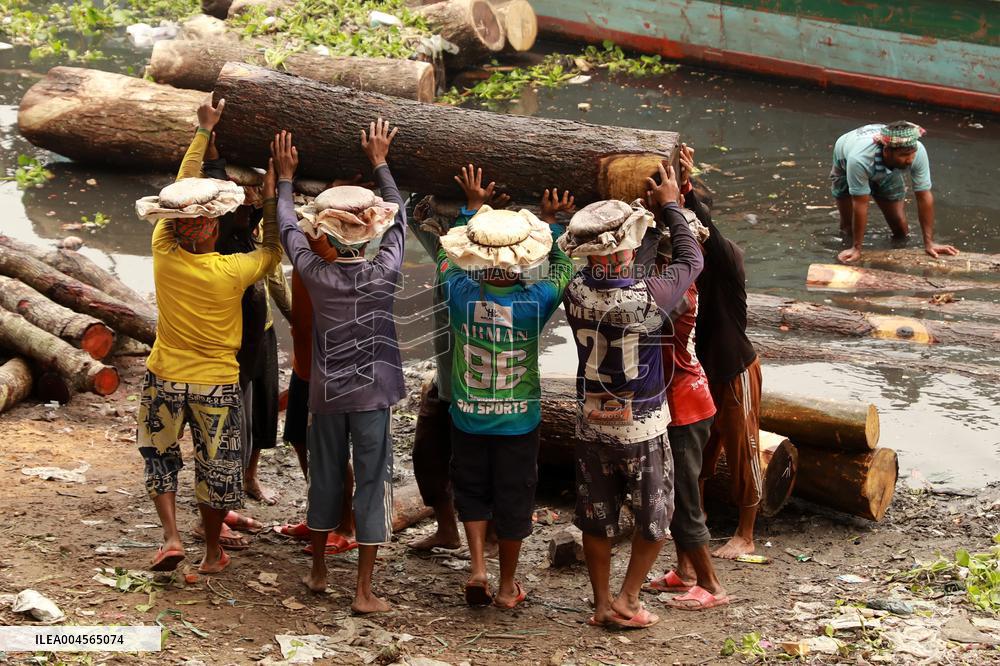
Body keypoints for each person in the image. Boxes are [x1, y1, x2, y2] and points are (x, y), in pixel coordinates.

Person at [135, 96, 282, 574]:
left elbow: (180, 189)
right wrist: (276, 193)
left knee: (160, 457)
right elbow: (274, 248)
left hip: (164, 375)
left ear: (175, 229)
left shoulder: (164, 252)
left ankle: (173, 537)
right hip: (216, 383)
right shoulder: (233, 271)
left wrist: (201, 132)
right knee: (216, 467)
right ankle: (213, 550)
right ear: (213, 231)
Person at [559, 163, 703, 629]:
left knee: (596, 517)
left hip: (591, 422)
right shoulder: (650, 296)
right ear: (626, 251)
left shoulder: (575, 289)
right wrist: (672, 207)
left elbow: (608, 267)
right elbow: (691, 261)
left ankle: (602, 602)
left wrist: (557, 222)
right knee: (655, 520)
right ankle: (628, 597)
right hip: (641, 425)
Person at [273, 121, 405, 614]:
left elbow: (288, 227)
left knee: (325, 477)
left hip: (327, 396)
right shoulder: (385, 269)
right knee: (372, 482)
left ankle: (318, 570)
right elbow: (401, 221)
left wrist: (286, 178)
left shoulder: (315, 272)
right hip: (372, 397)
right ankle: (365, 591)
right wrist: (380, 162)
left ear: (325, 231)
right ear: (370, 233)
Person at [437, 165, 574, 609]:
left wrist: (471, 211)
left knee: (472, 492)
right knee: (514, 501)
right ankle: (506, 585)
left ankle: (477, 568)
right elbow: (564, 266)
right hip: (518, 422)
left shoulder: (458, 292)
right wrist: (552, 224)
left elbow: (448, 259)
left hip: (469, 417)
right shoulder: (536, 301)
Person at [407, 180, 508, 554]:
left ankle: (493, 535)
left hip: (484, 386)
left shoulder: (502, 270)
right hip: (447, 382)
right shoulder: (447, 255)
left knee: (481, 466)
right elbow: (412, 212)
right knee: (427, 457)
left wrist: (478, 209)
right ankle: (447, 530)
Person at [677, 143, 762, 560]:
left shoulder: (728, 257)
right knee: (698, 455)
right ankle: (699, 524)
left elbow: (704, 223)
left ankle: (746, 533)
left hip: (733, 368)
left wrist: (686, 189)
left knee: (743, 447)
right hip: (700, 371)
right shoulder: (680, 263)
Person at [648, 219, 729, 610]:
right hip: (684, 401)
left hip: (685, 406)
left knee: (681, 498)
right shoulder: (680, 287)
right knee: (681, 492)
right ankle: (684, 571)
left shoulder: (673, 298)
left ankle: (711, 584)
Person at [830, 121, 958, 264]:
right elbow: (860, 203)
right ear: (887, 151)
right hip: (846, 159)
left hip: (887, 168)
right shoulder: (859, 159)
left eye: (912, 154)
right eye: (904, 155)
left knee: (900, 229)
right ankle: (847, 251)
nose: (909, 160)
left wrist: (929, 243)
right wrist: (857, 248)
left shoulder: (918, 151)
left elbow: (924, 196)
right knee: (848, 227)